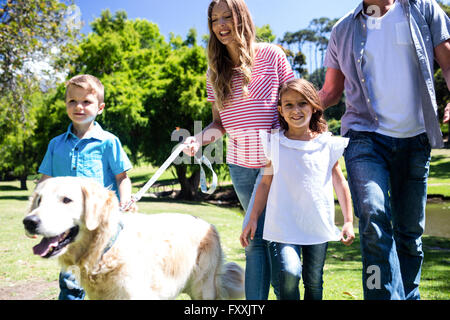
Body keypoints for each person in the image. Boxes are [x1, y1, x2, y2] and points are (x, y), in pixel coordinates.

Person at [320, 0, 450, 299]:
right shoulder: (343, 30)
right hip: (364, 136)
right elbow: (330, 91)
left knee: (409, 234)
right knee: (373, 215)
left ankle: (409, 296)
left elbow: (448, 63)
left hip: (416, 139)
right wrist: (288, 109)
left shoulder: (424, 10)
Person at [183, 0, 294, 299]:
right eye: (214, 19)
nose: (220, 25)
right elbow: (218, 124)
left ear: (241, 17)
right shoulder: (214, 71)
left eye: (226, 17)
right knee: (255, 238)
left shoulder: (271, 55)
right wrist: (198, 139)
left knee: (275, 237)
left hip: (275, 162)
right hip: (240, 165)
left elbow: (296, 102)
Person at [239, 79, 355, 300]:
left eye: (302, 103)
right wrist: (253, 217)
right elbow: (264, 184)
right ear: (280, 110)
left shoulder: (326, 143)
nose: (296, 110)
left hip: (317, 225)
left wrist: (348, 220)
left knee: (314, 282)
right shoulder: (275, 143)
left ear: (313, 106)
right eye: (289, 105)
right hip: (283, 226)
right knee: (290, 273)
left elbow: (340, 182)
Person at [38, 74, 134, 300]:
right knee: (71, 283)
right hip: (69, 227)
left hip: (102, 226)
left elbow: (123, 177)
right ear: (66, 105)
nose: (78, 106)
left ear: (100, 108)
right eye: (72, 101)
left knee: (107, 281)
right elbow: (45, 182)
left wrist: (125, 202)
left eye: (86, 101)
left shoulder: (108, 141)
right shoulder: (56, 145)